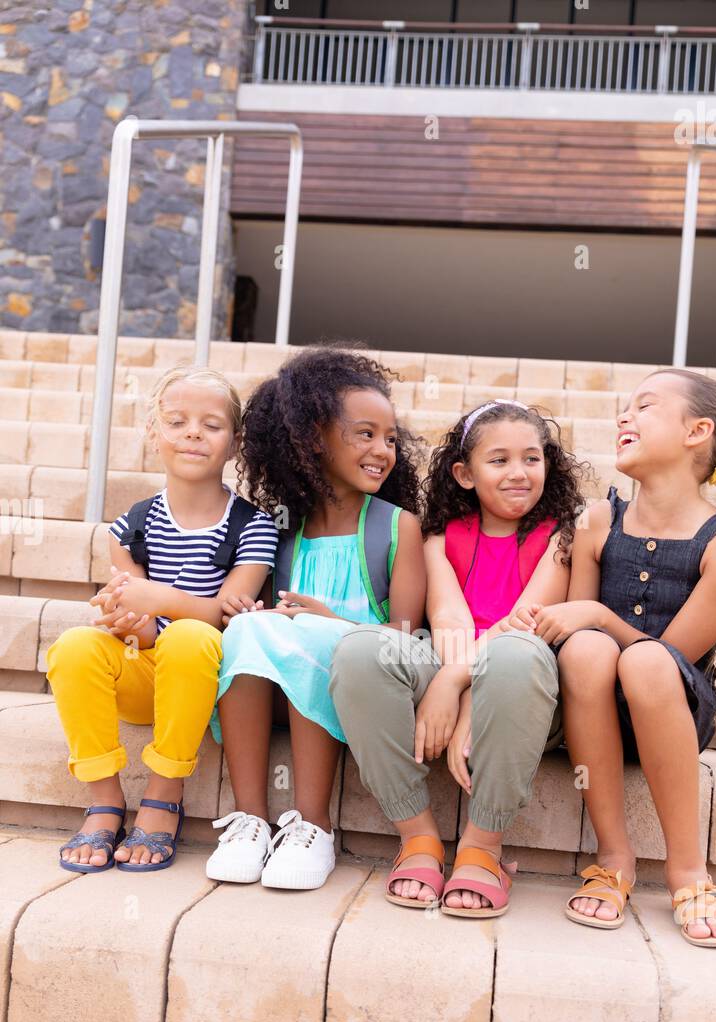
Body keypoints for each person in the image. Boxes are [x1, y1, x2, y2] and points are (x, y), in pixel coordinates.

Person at [517, 369, 716, 947]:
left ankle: (688, 871)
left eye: (644, 407)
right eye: (624, 408)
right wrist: (589, 624)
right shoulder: (597, 518)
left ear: (696, 431)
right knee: (584, 648)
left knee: (644, 661)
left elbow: (673, 657)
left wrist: (602, 618)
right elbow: (574, 629)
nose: (623, 417)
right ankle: (614, 858)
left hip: (668, 706)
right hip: (591, 705)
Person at [330, 398, 585, 918]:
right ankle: (417, 835)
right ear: (465, 474)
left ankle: (481, 845)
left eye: (532, 459)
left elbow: (525, 623)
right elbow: (448, 621)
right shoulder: (439, 537)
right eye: (500, 460)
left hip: (525, 693)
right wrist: (452, 680)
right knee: (361, 650)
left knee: (516, 654)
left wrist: (457, 692)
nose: (519, 472)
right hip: (454, 660)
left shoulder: (559, 537)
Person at [205, 346, 425, 891]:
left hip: (364, 686)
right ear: (312, 439)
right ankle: (250, 818)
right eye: (365, 434)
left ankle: (313, 824)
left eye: (390, 438)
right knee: (253, 627)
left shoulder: (398, 528)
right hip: (286, 688)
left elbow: (404, 637)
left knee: (311, 632)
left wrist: (332, 622)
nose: (383, 450)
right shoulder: (283, 533)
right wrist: (251, 613)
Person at [46, 366, 279, 872]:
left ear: (235, 443)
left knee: (192, 637)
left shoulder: (253, 526)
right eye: (177, 421)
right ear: (154, 435)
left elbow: (225, 617)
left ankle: (163, 794)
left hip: (204, 680)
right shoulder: (131, 526)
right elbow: (136, 614)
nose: (193, 432)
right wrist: (130, 618)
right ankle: (105, 799)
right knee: (74, 646)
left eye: (211, 424)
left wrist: (155, 597)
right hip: (143, 671)